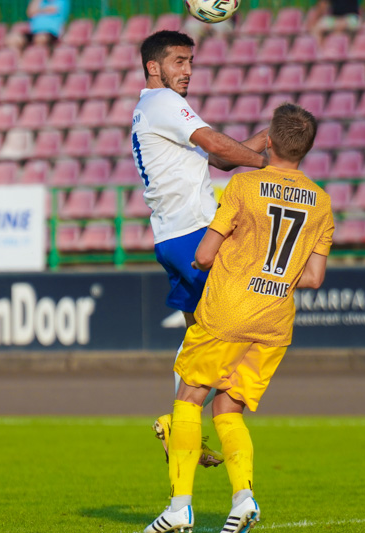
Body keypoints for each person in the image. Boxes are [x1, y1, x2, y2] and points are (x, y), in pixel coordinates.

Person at [144, 103, 335, 533]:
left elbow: (205, 254)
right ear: (306, 149)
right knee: (228, 409)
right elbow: (313, 278)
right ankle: (243, 498)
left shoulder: (245, 184)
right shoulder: (322, 202)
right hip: (274, 321)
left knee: (189, 397)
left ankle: (180, 504)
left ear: (268, 139)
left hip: (228, 310)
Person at [132, 30, 269, 468]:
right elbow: (213, 143)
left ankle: (181, 423)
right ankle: (185, 418)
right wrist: (271, 166)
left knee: (199, 334)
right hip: (196, 234)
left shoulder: (151, 111)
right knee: (239, 330)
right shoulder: (164, 104)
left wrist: (265, 141)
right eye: (178, 61)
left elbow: (223, 158)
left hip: (172, 238)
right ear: (154, 67)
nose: (187, 70)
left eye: (190, 61)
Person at [6, 0, 70, 50]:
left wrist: (38, 10)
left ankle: (38, 60)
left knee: (40, 38)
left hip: (51, 33)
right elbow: (30, 12)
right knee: (12, 39)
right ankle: (17, 62)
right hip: (34, 32)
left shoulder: (61, 1)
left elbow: (54, 9)